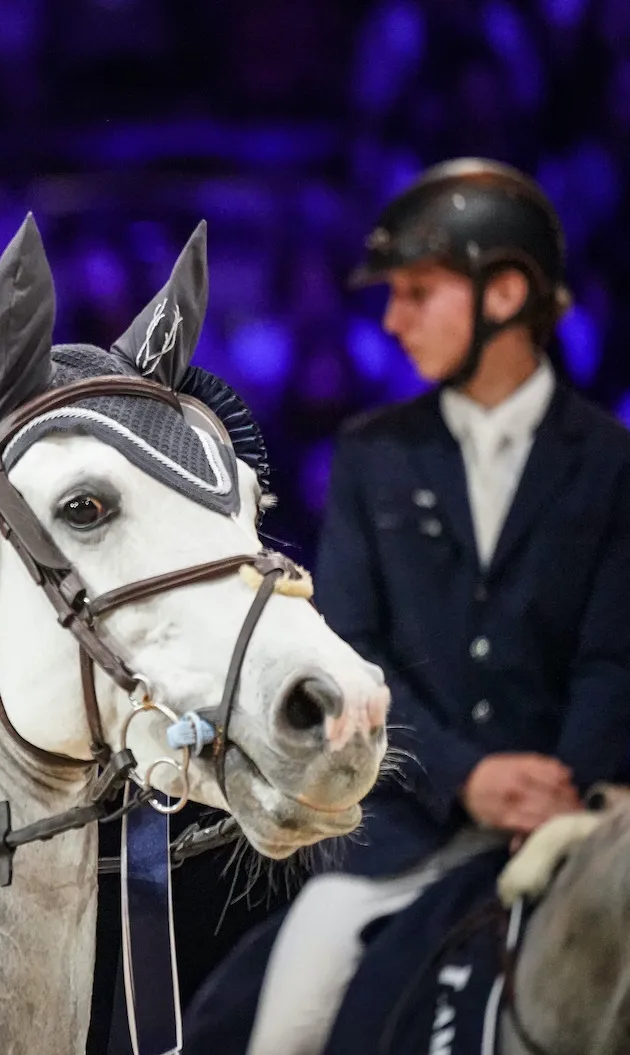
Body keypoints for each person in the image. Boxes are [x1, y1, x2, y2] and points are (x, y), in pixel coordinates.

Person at [186, 158, 630, 1054]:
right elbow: (356, 644)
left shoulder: (613, 462)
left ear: (504, 292)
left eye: (418, 292)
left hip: (578, 813)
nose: (393, 320)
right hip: (404, 834)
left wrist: (560, 785)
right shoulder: (372, 456)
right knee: (287, 1019)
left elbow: (613, 657)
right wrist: (468, 775)